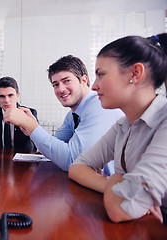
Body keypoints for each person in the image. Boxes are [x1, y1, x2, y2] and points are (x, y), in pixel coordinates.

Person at [69, 33, 167, 225]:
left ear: (135, 73)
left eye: (101, 74)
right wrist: (117, 185)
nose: (94, 86)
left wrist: (119, 184)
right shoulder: (123, 125)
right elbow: (77, 167)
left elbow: (119, 209)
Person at [4, 55, 123, 171]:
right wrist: (31, 127)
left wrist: (31, 125)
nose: (60, 89)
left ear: (84, 80)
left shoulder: (100, 106)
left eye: (67, 81)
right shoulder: (72, 115)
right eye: (55, 84)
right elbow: (54, 153)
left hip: (114, 187)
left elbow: (74, 162)